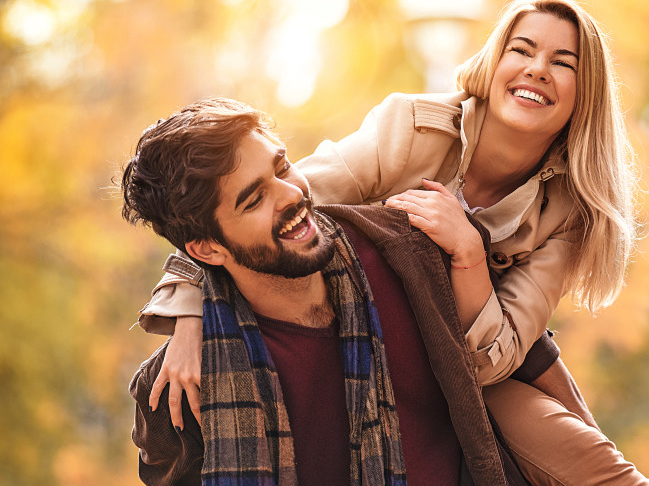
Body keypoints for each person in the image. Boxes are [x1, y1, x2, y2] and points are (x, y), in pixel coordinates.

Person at [136, 0, 649, 484]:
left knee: (591, 457)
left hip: (485, 358)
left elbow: (499, 359)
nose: (538, 69)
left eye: (563, 62)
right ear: (493, 62)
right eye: (521, 50)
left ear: (584, 93)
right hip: (369, 305)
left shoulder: (572, 210)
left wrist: (470, 253)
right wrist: (186, 316)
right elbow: (277, 207)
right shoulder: (413, 127)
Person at [122, 97, 532, 484]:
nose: (291, 194)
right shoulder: (177, 392)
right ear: (207, 248)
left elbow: (528, 356)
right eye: (254, 200)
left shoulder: (407, 251)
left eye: (282, 168)